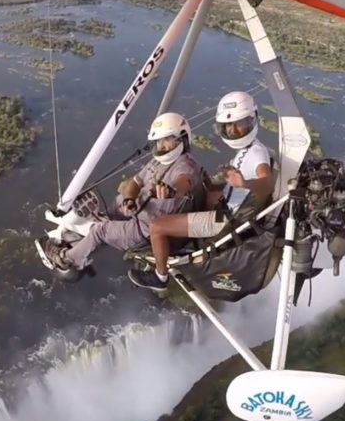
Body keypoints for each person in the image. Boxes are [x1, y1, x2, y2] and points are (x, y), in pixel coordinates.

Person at [127, 91, 275, 291]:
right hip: (226, 208)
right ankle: (182, 238)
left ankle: (160, 278)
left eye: (239, 123)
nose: (233, 130)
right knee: (203, 194)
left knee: (157, 226)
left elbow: (267, 183)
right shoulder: (249, 150)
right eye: (228, 126)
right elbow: (238, 186)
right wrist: (214, 184)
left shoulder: (258, 153)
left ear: (253, 119)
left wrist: (244, 183)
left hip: (224, 219)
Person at [39, 112, 206, 272]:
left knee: (100, 231)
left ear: (182, 138)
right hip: (138, 212)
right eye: (159, 141)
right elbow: (135, 182)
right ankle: (89, 240)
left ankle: (65, 259)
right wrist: (129, 200)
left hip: (146, 231)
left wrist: (171, 190)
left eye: (167, 140)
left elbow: (184, 182)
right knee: (118, 203)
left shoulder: (186, 166)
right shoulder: (158, 163)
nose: (161, 146)